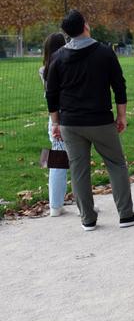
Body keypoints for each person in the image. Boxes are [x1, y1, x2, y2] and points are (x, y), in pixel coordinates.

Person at [45, 10, 134, 231]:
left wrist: (55, 122)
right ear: (85, 26)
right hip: (100, 120)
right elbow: (119, 86)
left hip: (70, 123)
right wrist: (122, 115)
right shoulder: (104, 53)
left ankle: (87, 219)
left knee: (79, 170)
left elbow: (52, 94)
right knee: (116, 164)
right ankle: (126, 214)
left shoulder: (58, 57)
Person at [39, 32, 68, 217]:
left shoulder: (44, 69)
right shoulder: (63, 67)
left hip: (54, 118)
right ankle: (56, 205)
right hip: (65, 117)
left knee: (57, 161)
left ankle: (55, 204)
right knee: (63, 162)